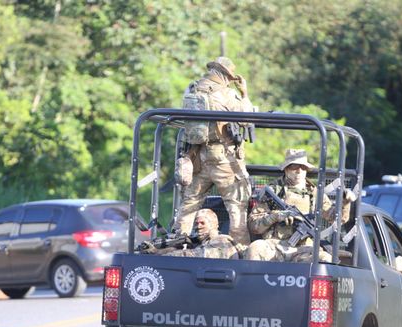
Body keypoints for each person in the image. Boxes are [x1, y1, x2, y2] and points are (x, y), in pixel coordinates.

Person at [173, 57, 255, 245]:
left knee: (188, 206)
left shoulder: (192, 89)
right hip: (224, 160)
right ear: (227, 76)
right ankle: (238, 252)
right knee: (236, 207)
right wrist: (244, 93)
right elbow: (247, 119)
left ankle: (177, 246)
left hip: (197, 158)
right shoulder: (226, 94)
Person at [246, 149, 355, 263]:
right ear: (286, 169)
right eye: (294, 166)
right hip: (274, 247)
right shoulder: (274, 191)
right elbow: (253, 226)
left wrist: (345, 203)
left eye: (303, 167)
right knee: (255, 249)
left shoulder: (315, 193)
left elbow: (338, 219)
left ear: (307, 170)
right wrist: (275, 217)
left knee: (325, 260)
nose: (299, 171)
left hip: (303, 250)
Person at [142, 209, 243, 259]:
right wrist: (158, 251)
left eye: (202, 223)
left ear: (213, 224)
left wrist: (162, 255)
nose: (198, 226)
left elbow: (197, 255)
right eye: (196, 223)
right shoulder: (201, 244)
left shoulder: (222, 240)